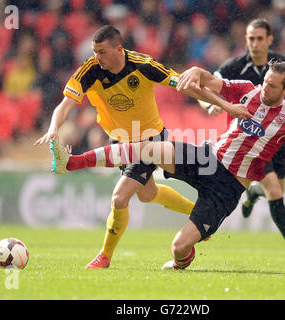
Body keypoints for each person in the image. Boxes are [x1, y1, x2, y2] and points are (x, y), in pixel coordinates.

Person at [49, 61, 285, 270]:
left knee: (178, 248)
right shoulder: (247, 90)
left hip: (229, 187)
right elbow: (210, 80)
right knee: (147, 150)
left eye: (272, 86)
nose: (264, 89)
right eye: (264, 82)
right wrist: (195, 70)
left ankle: (184, 257)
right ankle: (72, 163)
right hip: (207, 159)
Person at [34, 25, 195, 269]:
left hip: (150, 139)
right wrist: (53, 127)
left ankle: (105, 256)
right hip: (120, 139)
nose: (96, 57)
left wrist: (215, 100)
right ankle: (201, 214)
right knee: (147, 194)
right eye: (94, 51)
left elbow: (179, 82)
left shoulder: (143, 64)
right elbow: (66, 104)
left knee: (119, 199)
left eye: (101, 51)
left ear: (118, 49)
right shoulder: (90, 70)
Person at [198, 19, 285, 264]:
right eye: (250, 38)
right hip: (249, 142)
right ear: (246, 39)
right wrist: (209, 105)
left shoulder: (282, 67)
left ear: (269, 40)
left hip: (278, 141)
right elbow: (206, 88)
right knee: (276, 192)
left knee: (276, 194)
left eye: (259, 38)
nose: (254, 44)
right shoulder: (234, 66)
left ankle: (254, 192)